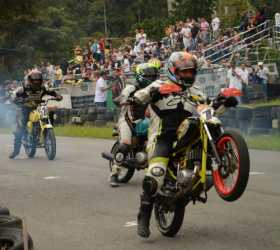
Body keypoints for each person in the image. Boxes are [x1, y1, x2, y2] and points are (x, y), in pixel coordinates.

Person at [134, 51, 237, 238]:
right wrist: (154, 92)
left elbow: (209, 112)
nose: (188, 75)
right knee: (155, 174)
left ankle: (207, 167)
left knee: (203, 124)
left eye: (191, 72)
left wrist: (224, 102)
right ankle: (144, 215)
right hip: (162, 138)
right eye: (184, 72)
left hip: (187, 137)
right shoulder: (159, 84)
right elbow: (136, 99)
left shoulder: (196, 92)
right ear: (173, 70)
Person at [109, 63, 160, 187]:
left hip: (147, 120)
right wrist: (123, 100)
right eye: (149, 76)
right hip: (128, 121)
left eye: (153, 76)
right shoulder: (131, 88)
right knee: (126, 143)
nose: (152, 78)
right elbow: (120, 98)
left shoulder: (155, 89)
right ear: (141, 76)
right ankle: (114, 174)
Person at [9, 70, 62, 159]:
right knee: (20, 129)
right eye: (34, 80)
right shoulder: (23, 88)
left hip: (38, 107)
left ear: (41, 80)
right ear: (30, 80)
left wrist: (58, 96)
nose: (36, 82)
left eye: (38, 80)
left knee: (48, 114)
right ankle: (15, 151)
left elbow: (52, 92)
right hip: (26, 108)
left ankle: (45, 133)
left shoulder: (43, 87)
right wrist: (19, 100)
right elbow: (14, 96)